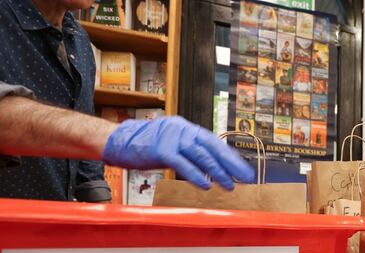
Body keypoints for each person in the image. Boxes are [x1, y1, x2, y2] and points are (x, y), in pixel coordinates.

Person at [0, 0, 255, 201]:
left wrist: (105, 233)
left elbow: (88, 170)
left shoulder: (78, 40)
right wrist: (116, 136)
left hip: (45, 242)